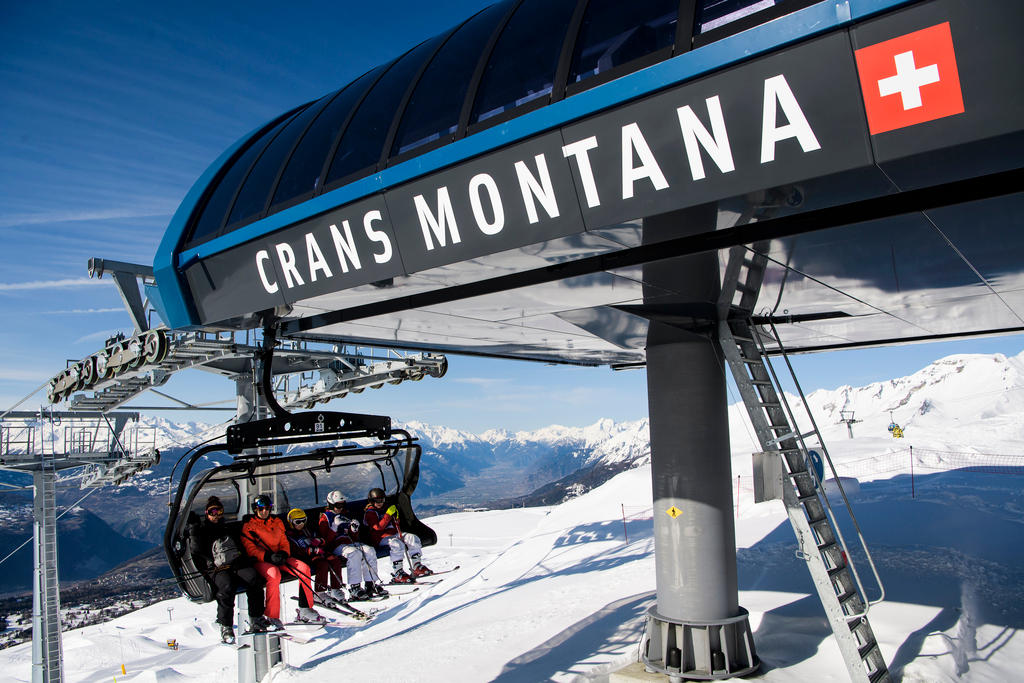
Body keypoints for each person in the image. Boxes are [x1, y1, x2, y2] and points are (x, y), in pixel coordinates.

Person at [187, 495, 270, 642]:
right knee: (227, 587)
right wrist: (193, 530)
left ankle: (256, 617)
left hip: (236, 563)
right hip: (218, 568)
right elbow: (196, 550)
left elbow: (240, 543)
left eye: (219, 512)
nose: (216, 515)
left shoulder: (226, 527)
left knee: (254, 579)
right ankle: (226, 625)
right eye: (213, 512)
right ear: (207, 513)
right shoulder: (202, 530)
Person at [241, 494, 323, 626]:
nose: (264, 512)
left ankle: (305, 608)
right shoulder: (250, 526)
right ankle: (272, 615)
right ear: (255, 509)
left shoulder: (277, 522)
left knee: (304, 569)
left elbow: (284, 541)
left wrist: (284, 554)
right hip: (263, 560)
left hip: (280, 557)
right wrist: (268, 557)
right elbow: (251, 549)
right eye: (261, 509)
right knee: (274, 575)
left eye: (267, 508)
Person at [319, 490, 387, 600]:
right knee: (354, 554)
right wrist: (333, 528)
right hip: (336, 546)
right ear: (331, 504)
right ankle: (355, 587)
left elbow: (353, 537)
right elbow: (325, 541)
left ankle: (371, 583)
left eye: (342, 505)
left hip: (349, 542)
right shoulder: (325, 517)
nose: (340, 508)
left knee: (369, 551)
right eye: (338, 505)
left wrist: (354, 530)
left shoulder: (345, 514)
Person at [362, 487, 431, 583]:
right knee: (397, 545)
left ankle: (417, 566)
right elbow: (378, 527)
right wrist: (388, 515)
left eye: (381, 500)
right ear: (371, 501)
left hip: (393, 534)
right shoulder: (370, 513)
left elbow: (394, 523)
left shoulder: (386, 508)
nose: (379, 503)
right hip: (380, 538)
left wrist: (396, 517)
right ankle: (398, 572)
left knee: (413, 538)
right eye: (376, 501)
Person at [284, 507, 346, 602]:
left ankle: (336, 588)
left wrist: (319, 541)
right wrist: (312, 550)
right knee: (322, 564)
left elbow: (321, 539)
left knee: (334, 559)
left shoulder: (308, 530)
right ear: (291, 522)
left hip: (317, 553)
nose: (301, 524)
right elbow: (296, 551)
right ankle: (320, 592)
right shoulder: (290, 535)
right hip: (304, 558)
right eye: (298, 522)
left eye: (303, 521)